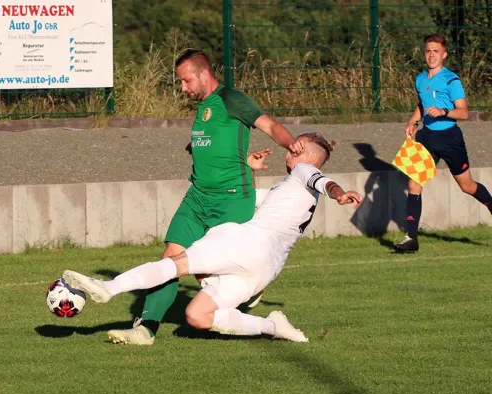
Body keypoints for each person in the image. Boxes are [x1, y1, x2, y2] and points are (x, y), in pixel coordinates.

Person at [63, 133, 362, 343]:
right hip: (263, 269)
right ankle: (273, 326)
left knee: (176, 262)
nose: (289, 151)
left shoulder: (304, 172)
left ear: (309, 157)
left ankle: (108, 287)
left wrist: (339, 193)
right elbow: (246, 202)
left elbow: (322, 181)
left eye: (295, 149)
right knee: (197, 315)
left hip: (248, 244)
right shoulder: (288, 193)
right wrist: (247, 171)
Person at [112, 49, 301, 345]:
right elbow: (212, 141)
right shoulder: (204, 107)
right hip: (197, 198)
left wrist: (294, 146)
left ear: (203, 74)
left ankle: (249, 291)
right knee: (171, 258)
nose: (184, 88)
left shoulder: (232, 99)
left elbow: (270, 126)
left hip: (231, 200)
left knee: (211, 272)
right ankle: (145, 330)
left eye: (186, 81)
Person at [394, 33, 492, 253]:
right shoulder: (420, 79)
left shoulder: (451, 80)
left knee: (467, 186)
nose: (431, 55)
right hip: (426, 138)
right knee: (414, 184)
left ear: (444, 55)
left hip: (450, 139)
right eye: (428, 51)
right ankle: (411, 239)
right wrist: (413, 121)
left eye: (436, 51)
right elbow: (422, 104)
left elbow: (464, 113)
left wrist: (444, 111)